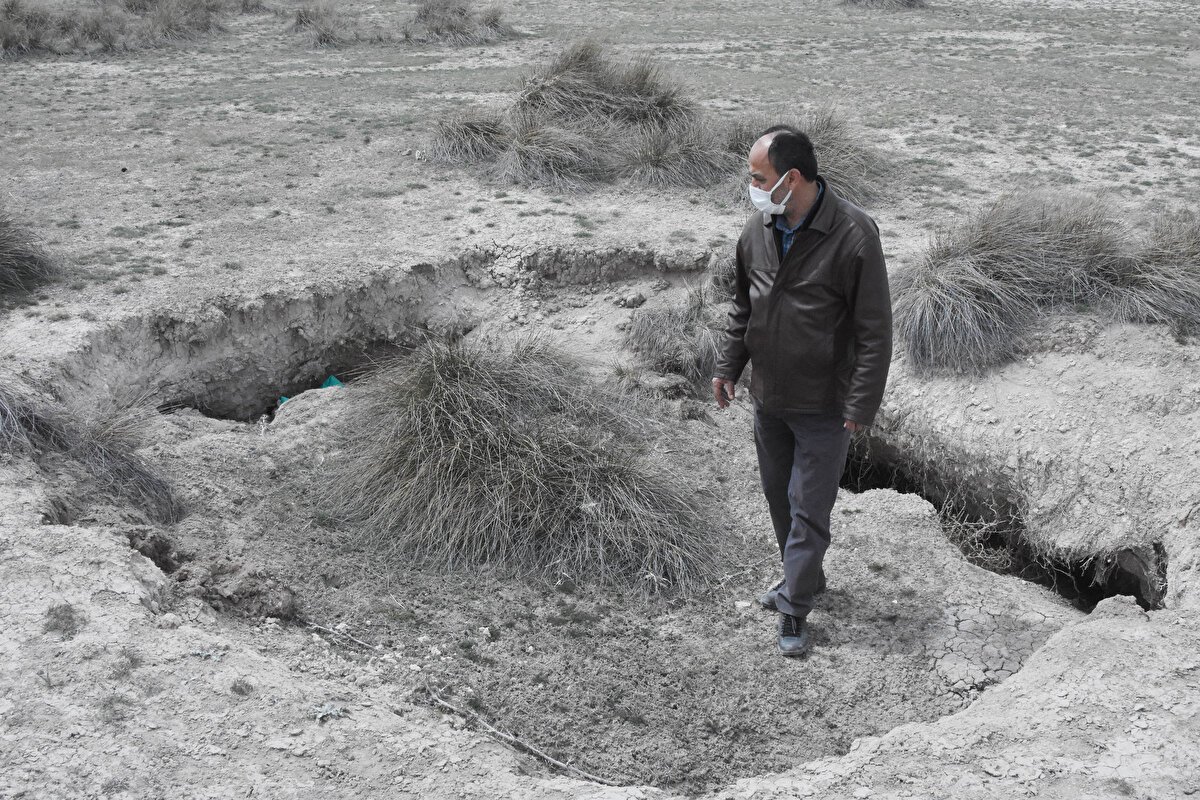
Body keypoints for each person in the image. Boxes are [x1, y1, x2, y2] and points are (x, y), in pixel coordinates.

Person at [713, 126, 892, 657]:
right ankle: (805, 577)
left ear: (791, 179)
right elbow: (744, 307)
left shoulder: (855, 235)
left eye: (758, 177)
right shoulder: (757, 229)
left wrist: (861, 403)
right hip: (769, 399)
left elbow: (875, 332)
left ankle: (794, 608)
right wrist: (729, 365)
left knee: (808, 507)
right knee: (778, 499)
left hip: (823, 407)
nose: (752, 186)